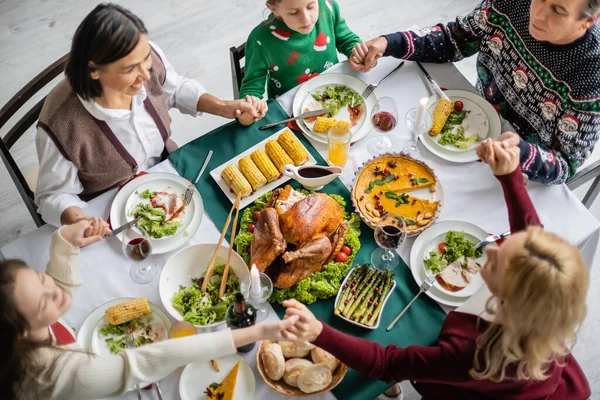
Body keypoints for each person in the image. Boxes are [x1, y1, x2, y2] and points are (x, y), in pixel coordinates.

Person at [281, 140, 591, 399]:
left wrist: (319, 332)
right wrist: (510, 176)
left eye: (495, 261)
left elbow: (388, 364)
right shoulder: (543, 300)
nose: (492, 250)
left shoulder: (474, 354)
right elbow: (529, 234)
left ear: (505, 297)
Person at [0, 219, 298, 400]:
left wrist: (63, 241)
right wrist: (254, 331)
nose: (53, 289)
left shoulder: (26, 324)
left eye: (41, 278)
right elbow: (144, 361)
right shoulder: (50, 376)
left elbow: (56, 293)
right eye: (43, 301)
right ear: (21, 333)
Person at [34, 3, 268, 231]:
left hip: (171, 171)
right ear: (94, 70)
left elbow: (175, 89)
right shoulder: (60, 124)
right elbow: (52, 196)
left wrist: (225, 107)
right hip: (110, 211)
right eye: (130, 69)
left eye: (145, 59)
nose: (145, 75)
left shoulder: (146, 60)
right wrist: (81, 220)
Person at [353, 0, 600, 185]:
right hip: (475, 116)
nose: (537, 13)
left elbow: (565, 165)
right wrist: (389, 43)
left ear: (589, 20)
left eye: (558, 10)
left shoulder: (593, 75)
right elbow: (455, 40)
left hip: (521, 164)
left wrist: (522, 152)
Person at [238, 0, 366, 124]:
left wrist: (357, 53)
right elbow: (251, 88)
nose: (306, 18)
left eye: (311, 6)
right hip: (289, 110)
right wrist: (250, 108)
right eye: (293, 12)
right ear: (274, 9)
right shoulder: (260, 40)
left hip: (335, 91)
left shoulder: (328, 6)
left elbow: (346, 39)